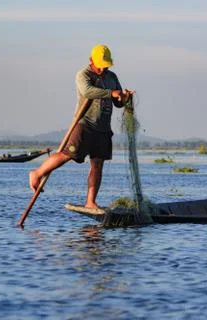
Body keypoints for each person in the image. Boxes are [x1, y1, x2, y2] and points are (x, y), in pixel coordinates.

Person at [29, 44, 134, 209]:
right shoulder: (83, 75)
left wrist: (124, 98)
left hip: (103, 128)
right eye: (100, 66)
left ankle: (90, 202)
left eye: (105, 66)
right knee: (67, 155)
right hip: (85, 124)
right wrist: (110, 92)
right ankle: (37, 173)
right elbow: (88, 92)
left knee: (98, 164)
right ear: (91, 60)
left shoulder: (112, 77)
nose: (102, 69)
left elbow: (118, 102)